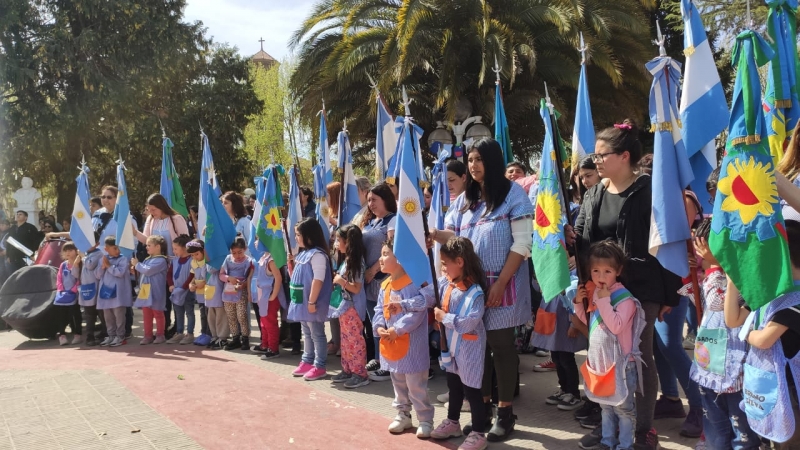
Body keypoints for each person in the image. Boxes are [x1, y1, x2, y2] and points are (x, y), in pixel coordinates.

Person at [572, 120, 682, 449]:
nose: (595, 161)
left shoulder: (651, 191)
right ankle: (612, 420)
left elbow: (667, 242)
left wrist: (668, 294)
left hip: (640, 290)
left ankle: (642, 429)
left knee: (637, 355)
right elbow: (583, 238)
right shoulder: (594, 193)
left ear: (623, 156)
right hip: (600, 290)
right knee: (603, 356)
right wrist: (570, 243)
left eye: (601, 155)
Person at [431, 138, 534, 442]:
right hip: (470, 289)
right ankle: (482, 412)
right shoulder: (466, 199)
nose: (474, 166)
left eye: (479, 159)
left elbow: (523, 243)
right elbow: (455, 234)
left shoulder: (514, 196)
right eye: (471, 160)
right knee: (477, 349)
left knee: (501, 348)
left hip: (504, 285)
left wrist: (501, 283)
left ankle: (505, 413)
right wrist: (434, 234)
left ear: (494, 161)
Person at [407, 237, 488, 449]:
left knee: (472, 391)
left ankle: (479, 433)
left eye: (445, 263)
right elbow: (427, 295)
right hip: (450, 347)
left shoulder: (475, 292)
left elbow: (470, 322)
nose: (442, 268)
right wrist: (405, 304)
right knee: (453, 386)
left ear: (459, 262)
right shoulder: (446, 283)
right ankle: (453, 422)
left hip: (469, 350)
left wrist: (445, 318)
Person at [685, 219, 760, 450]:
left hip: (735, 369)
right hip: (710, 365)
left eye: (703, 246)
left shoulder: (740, 277)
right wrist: (697, 273)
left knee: (742, 435)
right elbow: (703, 306)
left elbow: (718, 302)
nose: (700, 251)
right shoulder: (710, 274)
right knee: (716, 431)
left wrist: (716, 267)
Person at [726, 220, 800, 448]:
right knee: (775, 437)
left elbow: (763, 340)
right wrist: (732, 284)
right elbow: (732, 319)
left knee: (789, 439)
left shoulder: (795, 301)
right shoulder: (770, 294)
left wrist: (747, 330)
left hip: (790, 390)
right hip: (769, 387)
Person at [574, 241, 645, 450]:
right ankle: (607, 442)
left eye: (607, 271)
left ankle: (624, 445)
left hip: (621, 366)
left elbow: (615, 326)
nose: (601, 277)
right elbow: (587, 320)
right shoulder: (597, 293)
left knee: (624, 409)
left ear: (618, 271)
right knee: (605, 407)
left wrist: (604, 301)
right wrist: (579, 302)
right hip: (601, 363)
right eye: (596, 271)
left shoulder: (625, 299)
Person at [372, 240, 435, 438]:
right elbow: (378, 310)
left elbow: (416, 314)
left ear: (399, 259)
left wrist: (397, 330)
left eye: (384, 254)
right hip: (392, 345)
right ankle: (403, 414)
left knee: (416, 385)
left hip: (411, 347)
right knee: (397, 380)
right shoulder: (386, 285)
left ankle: (425, 419)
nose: (380, 259)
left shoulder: (412, 284)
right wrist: (379, 326)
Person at [359, 183, 397, 381]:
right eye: (369, 200)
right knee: (375, 321)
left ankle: (388, 362)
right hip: (367, 281)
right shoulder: (371, 222)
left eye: (374, 200)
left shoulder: (393, 220)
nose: (370, 204)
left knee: (387, 320)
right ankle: (377, 357)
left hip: (382, 278)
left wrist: (373, 271)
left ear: (385, 199)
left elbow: (392, 249)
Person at [288, 218, 333, 381]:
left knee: (317, 334)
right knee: (306, 332)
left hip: (311, 303)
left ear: (309, 235)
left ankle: (319, 365)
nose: (296, 238)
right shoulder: (303, 254)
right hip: (302, 302)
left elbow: (318, 279)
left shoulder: (318, 255)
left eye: (298, 235)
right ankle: (307, 360)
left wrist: (312, 301)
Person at [329, 225, 370, 389]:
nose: (336, 243)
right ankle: (347, 369)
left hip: (353, 307)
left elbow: (356, 288)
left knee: (355, 340)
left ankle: (360, 373)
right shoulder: (347, 260)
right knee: (346, 340)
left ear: (348, 242)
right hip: (345, 307)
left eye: (339, 240)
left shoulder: (357, 262)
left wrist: (340, 281)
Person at [96, 237, 133, 347]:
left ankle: (120, 336)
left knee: (119, 317)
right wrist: (102, 267)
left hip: (118, 294)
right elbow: (97, 275)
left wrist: (109, 266)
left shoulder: (123, 259)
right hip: (106, 293)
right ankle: (111, 336)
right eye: (115, 248)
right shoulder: (102, 259)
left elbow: (120, 273)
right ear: (106, 249)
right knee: (108, 317)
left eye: (118, 248)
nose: (118, 251)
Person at [132, 235, 169, 344]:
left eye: (149, 245)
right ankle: (148, 335)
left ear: (158, 247)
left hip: (156, 291)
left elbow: (148, 271)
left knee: (158, 313)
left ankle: (160, 335)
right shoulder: (148, 259)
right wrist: (135, 269)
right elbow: (143, 271)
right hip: (145, 291)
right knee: (147, 314)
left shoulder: (161, 260)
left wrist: (137, 264)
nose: (146, 247)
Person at [251, 241, 285, 359]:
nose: (255, 242)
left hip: (269, 296)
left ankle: (273, 348)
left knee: (270, 323)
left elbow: (278, 278)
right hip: (262, 297)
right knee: (263, 322)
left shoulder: (271, 260)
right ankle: (264, 345)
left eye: (258, 239)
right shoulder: (263, 257)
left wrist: (273, 295)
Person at [219, 237, 254, 351]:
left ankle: (245, 338)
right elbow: (221, 275)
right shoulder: (228, 259)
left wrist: (243, 285)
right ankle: (235, 338)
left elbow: (250, 277)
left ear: (245, 249)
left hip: (241, 292)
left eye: (240, 252)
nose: (237, 255)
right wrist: (229, 278)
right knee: (231, 316)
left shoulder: (248, 261)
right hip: (229, 292)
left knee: (242, 316)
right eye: (234, 253)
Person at [167, 235, 197, 345]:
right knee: (178, 313)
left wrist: (184, 287)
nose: (173, 251)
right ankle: (179, 332)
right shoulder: (175, 260)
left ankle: (190, 334)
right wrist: (171, 285)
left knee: (189, 312)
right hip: (176, 292)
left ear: (184, 248)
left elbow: (191, 275)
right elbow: (169, 274)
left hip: (187, 291)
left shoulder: (192, 260)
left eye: (176, 248)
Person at [54, 242, 82, 345]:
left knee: (75, 314)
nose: (68, 253)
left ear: (76, 251)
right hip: (63, 294)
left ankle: (78, 334)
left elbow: (79, 278)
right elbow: (59, 278)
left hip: (75, 294)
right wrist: (61, 289)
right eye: (65, 251)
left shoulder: (79, 263)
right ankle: (62, 335)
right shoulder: (63, 264)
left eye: (70, 250)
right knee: (61, 315)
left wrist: (74, 289)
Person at [187, 239, 212, 345]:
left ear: (202, 251)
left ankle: (209, 334)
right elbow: (193, 276)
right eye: (192, 255)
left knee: (209, 314)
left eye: (196, 254)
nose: (194, 257)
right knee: (202, 314)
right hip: (200, 293)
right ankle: (203, 333)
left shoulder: (207, 261)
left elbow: (211, 275)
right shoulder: (193, 262)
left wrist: (204, 283)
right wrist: (191, 284)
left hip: (209, 292)